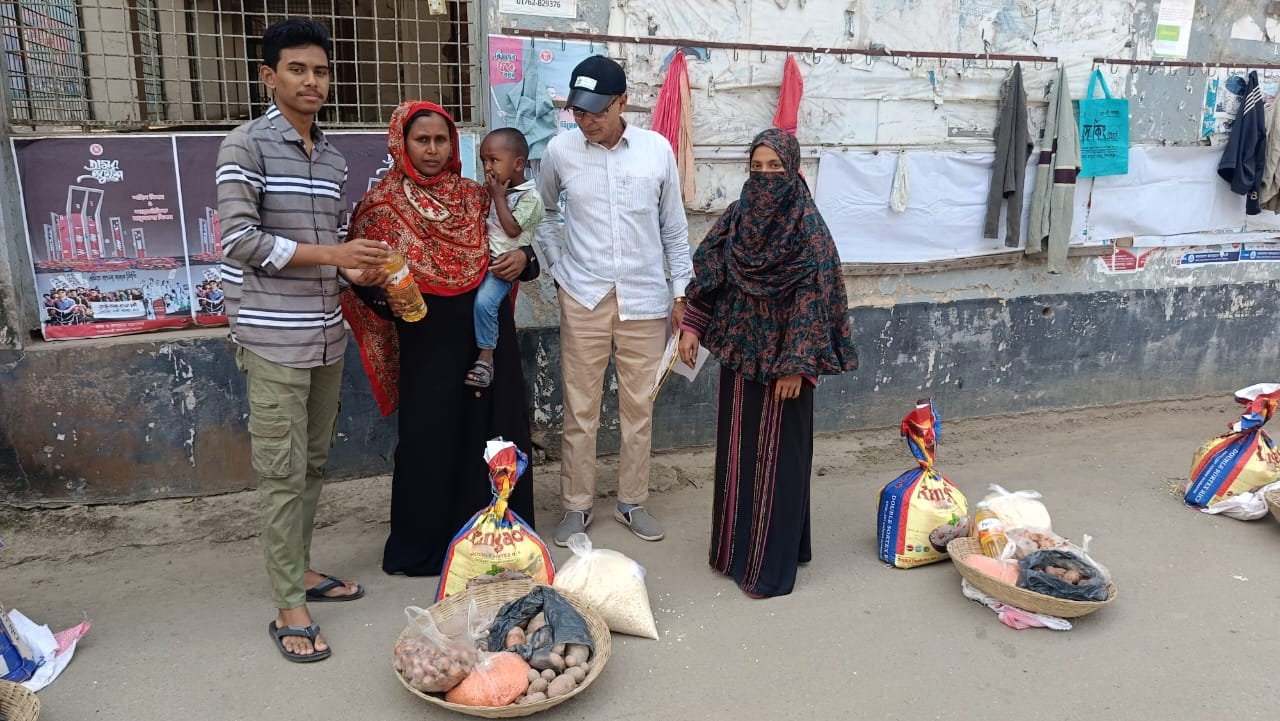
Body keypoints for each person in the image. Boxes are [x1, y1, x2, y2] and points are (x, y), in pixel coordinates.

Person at [216, 17, 391, 663]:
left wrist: (353, 265)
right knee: (282, 472)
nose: (312, 81)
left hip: (324, 335)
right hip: (271, 340)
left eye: (320, 70)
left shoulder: (335, 155)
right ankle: (289, 599)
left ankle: (301, 568)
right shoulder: (245, 147)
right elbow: (239, 240)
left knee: (313, 465)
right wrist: (333, 252)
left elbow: (326, 252)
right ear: (269, 76)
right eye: (297, 69)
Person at [340, 100, 540, 577]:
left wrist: (526, 260)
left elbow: (518, 242)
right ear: (400, 144)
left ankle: (497, 541)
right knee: (430, 438)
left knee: (491, 436)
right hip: (424, 342)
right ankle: (427, 547)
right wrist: (391, 300)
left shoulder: (475, 196)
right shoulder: (380, 206)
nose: (432, 150)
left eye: (441, 140)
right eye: (421, 140)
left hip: (486, 342)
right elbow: (358, 276)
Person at [677, 128, 858, 599]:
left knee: (779, 461)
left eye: (774, 168)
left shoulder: (807, 226)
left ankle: (768, 568)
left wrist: (796, 363)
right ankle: (733, 554)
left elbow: (816, 296)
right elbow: (711, 268)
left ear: (792, 169)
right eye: (756, 168)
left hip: (784, 366)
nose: (764, 177)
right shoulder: (738, 216)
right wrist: (693, 325)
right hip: (740, 355)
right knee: (738, 455)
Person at [534, 55, 694, 547]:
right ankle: (576, 507)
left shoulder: (656, 150)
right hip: (583, 295)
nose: (586, 120)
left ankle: (631, 502)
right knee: (580, 408)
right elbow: (539, 214)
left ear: (622, 102)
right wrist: (560, 270)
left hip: (645, 300)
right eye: (579, 111)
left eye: (597, 111)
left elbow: (674, 227)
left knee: (638, 408)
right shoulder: (561, 151)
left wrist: (680, 292)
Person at [464, 128, 545, 389]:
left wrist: (498, 196)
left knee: (484, 304)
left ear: (518, 164)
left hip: (502, 267)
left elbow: (512, 229)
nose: (487, 168)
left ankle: (486, 356)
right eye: (483, 161)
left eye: (493, 161)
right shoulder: (496, 193)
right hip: (483, 261)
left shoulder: (530, 199)